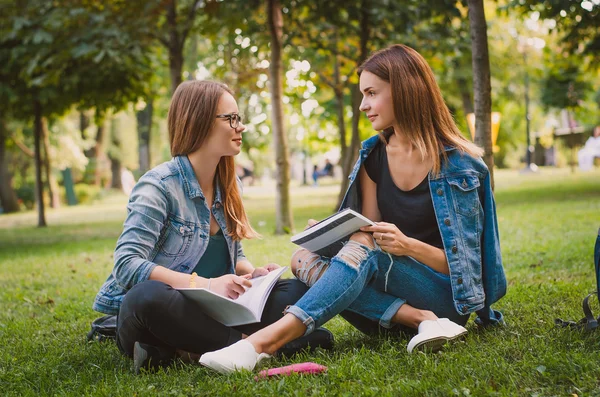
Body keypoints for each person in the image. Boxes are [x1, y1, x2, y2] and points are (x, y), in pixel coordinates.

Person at [199, 44, 507, 374]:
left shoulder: (462, 167)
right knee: (301, 257)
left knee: (363, 248)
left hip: (447, 300)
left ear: (405, 90)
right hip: (386, 307)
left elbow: (469, 273)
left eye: (372, 93)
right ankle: (422, 321)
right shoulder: (373, 155)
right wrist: (331, 233)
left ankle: (261, 344)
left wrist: (408, 245)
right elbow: (366, 232)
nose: (363, 105)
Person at [92, 80, 332, 374]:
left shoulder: (230, 184)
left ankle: (181, 349)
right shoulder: (159, 186)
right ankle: (253, 346)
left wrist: (252, 274)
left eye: (239, 118)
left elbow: (233, 254)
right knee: (145, 297)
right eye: (230, 119)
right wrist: (205, 284)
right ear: (199, 123)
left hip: (216, 310)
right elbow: (127, 265)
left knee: (296, 290)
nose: (239, 126)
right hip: (167, 307)